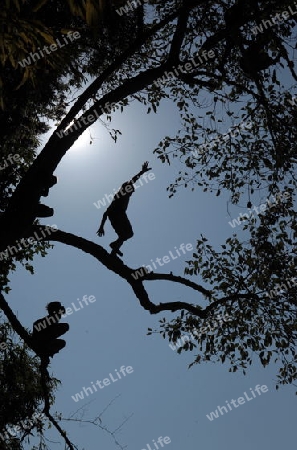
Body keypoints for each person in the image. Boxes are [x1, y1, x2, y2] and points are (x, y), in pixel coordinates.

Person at [97, 161, 152, 256]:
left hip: (121, 214)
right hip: (115, 215)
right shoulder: (120, 195)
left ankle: (115, 246)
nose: (132, 193)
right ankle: (114, 247)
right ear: (127, 189)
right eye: (131, 191)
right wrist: (101, 226)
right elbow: (106, 212)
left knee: (128, 234)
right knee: (125, 235)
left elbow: (133, 181)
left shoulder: (126, 195)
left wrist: (142, 172)